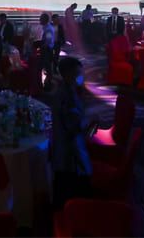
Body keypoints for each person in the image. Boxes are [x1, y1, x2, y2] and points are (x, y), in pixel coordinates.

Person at [51, 57, 93, 208]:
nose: (81, 76)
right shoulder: (66, 96)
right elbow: (73, 127)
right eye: (78, 73)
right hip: (70, 154)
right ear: (68, 74)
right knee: (70, 192)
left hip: (66, 149)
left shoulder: (67, 90)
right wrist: (90, 121)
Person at [39, 13, 55, 91]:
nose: (39, 20)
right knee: (47, 67)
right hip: (47, 50)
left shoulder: (48, 29)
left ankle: (48, 84)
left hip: (47, 50)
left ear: (44, 20)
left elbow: (48, 41)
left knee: (47, 67)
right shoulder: (46, 27)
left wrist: (41, 47)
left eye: (41, 19)